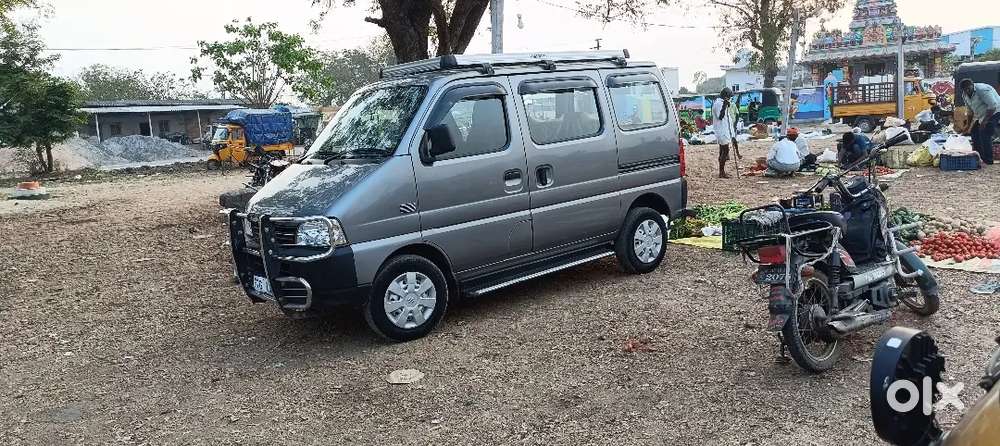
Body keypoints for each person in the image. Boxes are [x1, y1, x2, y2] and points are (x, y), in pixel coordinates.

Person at [959, 78, 999, 165]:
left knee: (985, 133)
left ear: (972, 85)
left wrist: (984, 122)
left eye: (968, 89)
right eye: (965, 90)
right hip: (982, 115)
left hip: (995, 112)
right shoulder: (964, 95)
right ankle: (979, 157)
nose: (967, 91)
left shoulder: (982, 90)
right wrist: (968, 126)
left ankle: (988, 160)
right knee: (974, 132)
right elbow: (970, 112)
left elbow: (993, 106)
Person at [712, 87, 738, 178]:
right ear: (725, 96)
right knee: (725, 150)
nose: (730, 98)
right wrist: (724, 106)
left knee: (722, 151)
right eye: (729, 97)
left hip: (725, 130)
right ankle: (721, 172)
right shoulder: (719, 104)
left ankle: (722, 171)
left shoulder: (722, 102)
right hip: (721, 131)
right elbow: (720, 116)